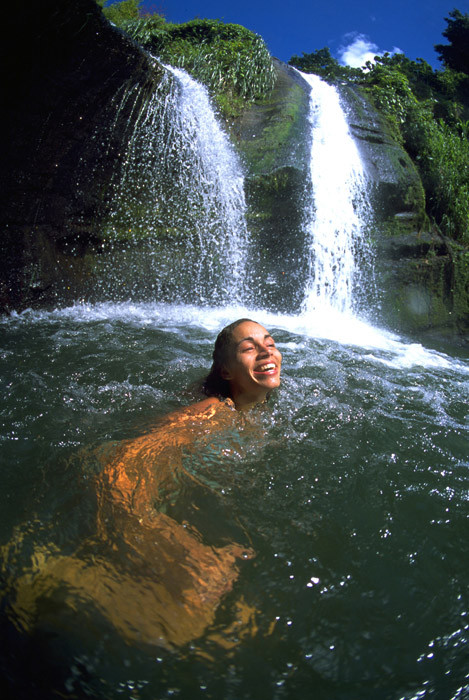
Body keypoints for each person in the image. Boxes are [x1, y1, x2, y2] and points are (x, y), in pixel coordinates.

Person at [3, 320, 282, 650]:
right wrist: (162, 535)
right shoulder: (212, 413)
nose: (266, 351)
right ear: (225, 372)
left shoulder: (249, 410)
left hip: (127, 492)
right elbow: (119, 469)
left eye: (270, 342)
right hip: (109, 494)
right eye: (249, 348)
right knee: (214, 613)